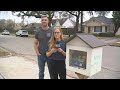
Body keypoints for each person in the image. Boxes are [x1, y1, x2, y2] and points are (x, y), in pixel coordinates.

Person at [34, 15, 52, 79]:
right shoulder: (38, 31)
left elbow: (55, 42)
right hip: (41, 55)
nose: (44, 21)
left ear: (48, 21)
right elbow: (35, 43)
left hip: (50, 55)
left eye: (45, 20)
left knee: (52, 72)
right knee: (41, 72)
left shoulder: (51, 31)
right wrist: (37, 53)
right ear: (41, 21)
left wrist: (52, 51)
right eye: (42, 20)